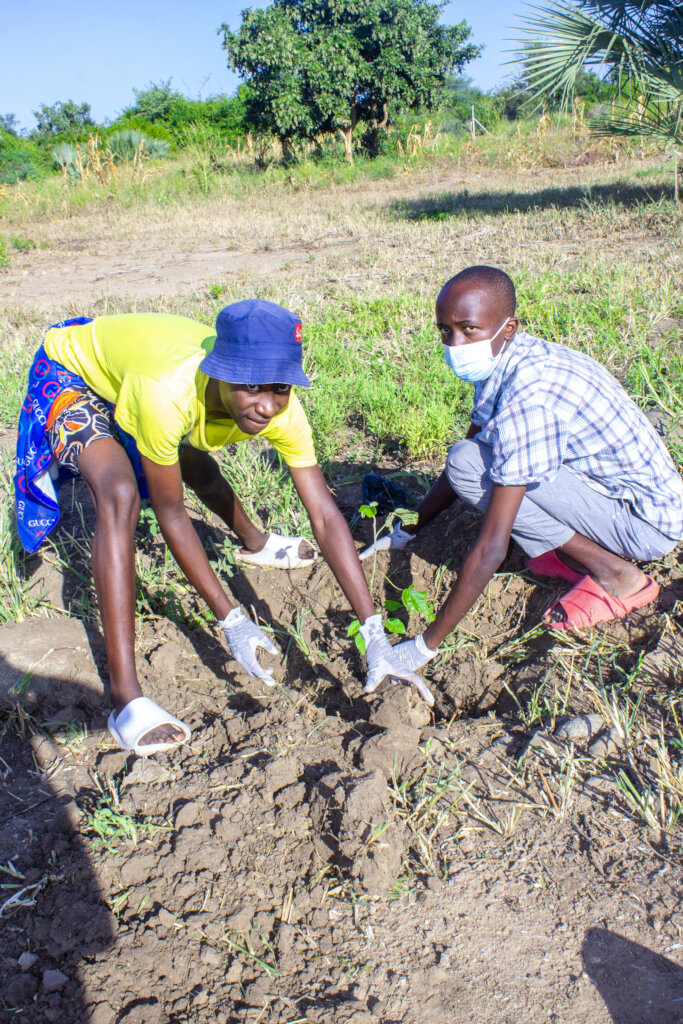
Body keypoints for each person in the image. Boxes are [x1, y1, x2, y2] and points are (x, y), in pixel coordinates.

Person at [15, 300, 431, 756]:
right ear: (219, 371)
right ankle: (125, 699)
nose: (267, 406)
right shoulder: (167, 393)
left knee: (191, 458)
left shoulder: (279, 411)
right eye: (251, 386)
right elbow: (172, 514)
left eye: (280, 388)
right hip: (73, 371)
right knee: (120, 494)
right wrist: (231, 619)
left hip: (146, 380)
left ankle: (255, 543)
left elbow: (327, 516)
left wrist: (374, 634)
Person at [361, 265, 683, 691]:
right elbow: (474, 440)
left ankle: (617, 575)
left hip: (641, 522)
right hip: (618, 495)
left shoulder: (529, 396)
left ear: (507, 326)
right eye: (445, 331)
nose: (455, 345)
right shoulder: (509, 358)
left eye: (468, 329)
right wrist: (407, 531)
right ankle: (560, 548)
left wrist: (423, 647)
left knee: (470, 466)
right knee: (469, 459)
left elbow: (491, 547)